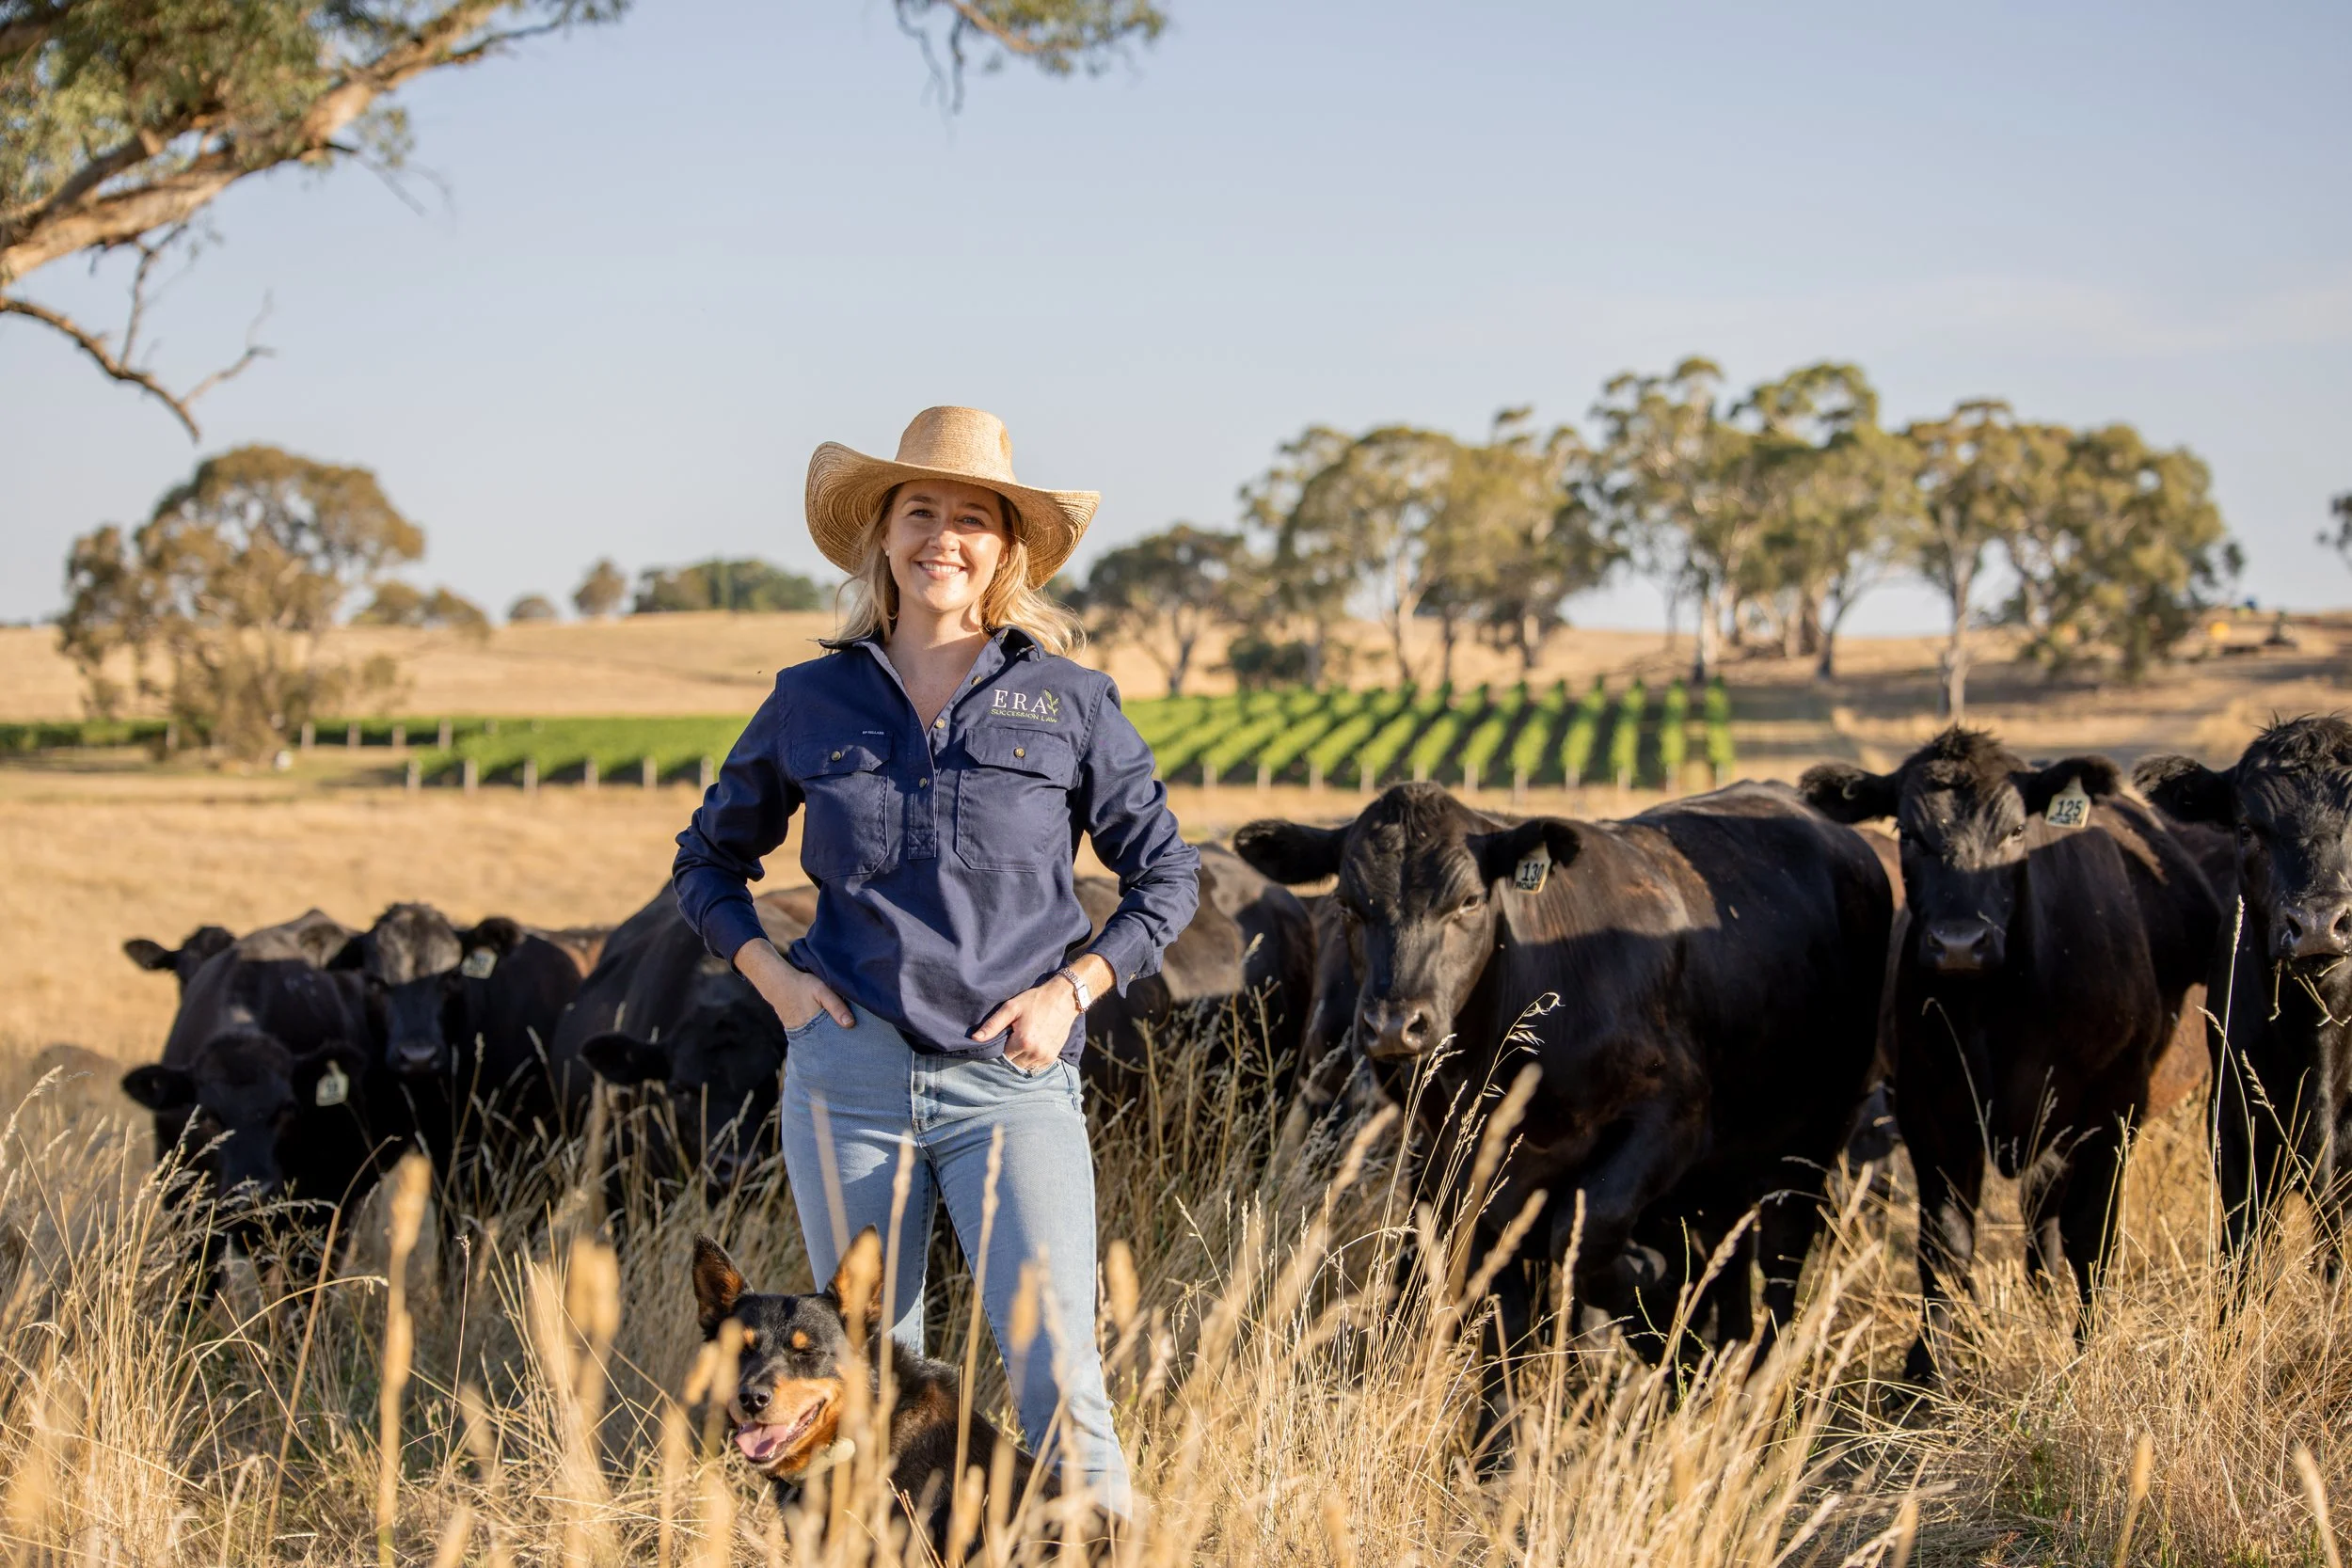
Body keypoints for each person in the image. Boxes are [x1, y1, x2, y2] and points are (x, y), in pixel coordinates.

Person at [672, 405, 1199, 1513]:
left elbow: (1167, 879)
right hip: (848, 1081)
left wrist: (1071, 989)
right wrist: (778, 982)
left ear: (1007, 550)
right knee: (859, 1379)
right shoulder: (811, 697)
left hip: (1012, 1084)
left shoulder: (1068, 700)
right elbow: (707, 861)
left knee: (1058, 1370)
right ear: (883, 537)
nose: (943, 537)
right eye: (921, 512)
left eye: (973, 518)